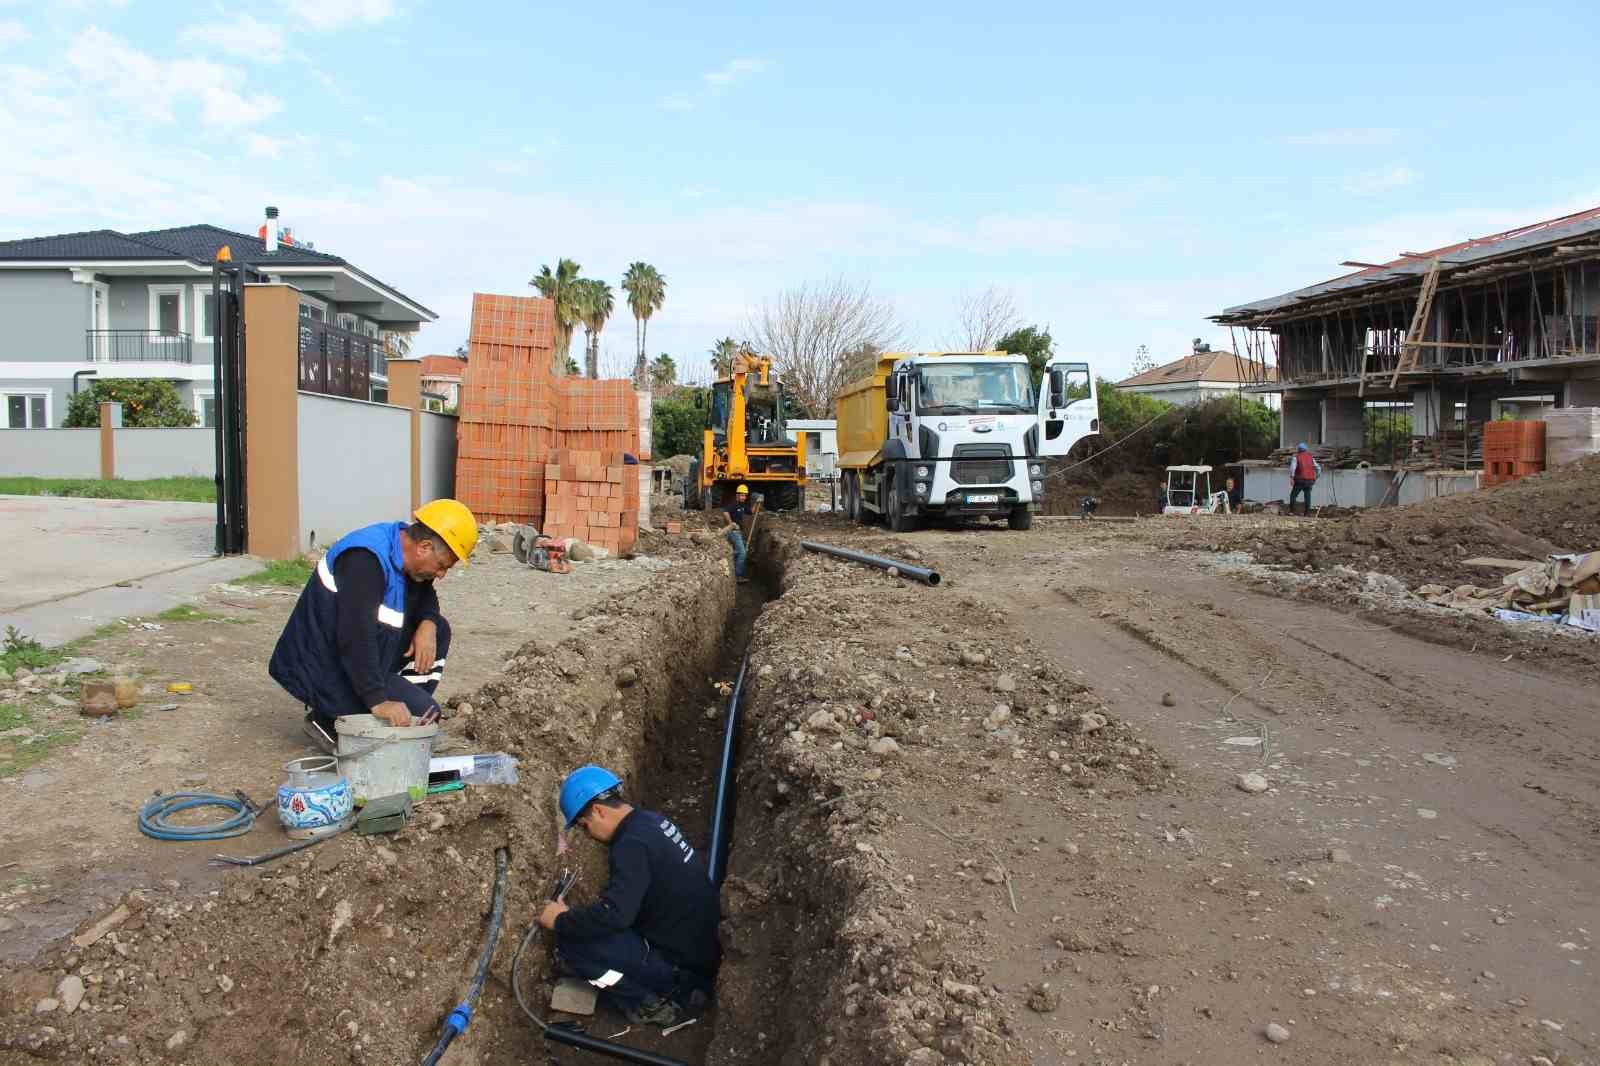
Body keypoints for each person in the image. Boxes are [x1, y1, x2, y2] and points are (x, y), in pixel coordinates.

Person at [269, 499, 478, 752]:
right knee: (427, 713)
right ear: (424, 547)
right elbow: (355, 637)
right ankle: (328, 719)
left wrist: (429, 623)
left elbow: (424, 595)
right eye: (442, 566)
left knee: (439, 629)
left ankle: (395, 717)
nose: (442, 574)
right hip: (322, 667)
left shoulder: (403, 549)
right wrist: (378, 701)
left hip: (353, 657)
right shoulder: (364, 560)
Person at [540, 766, 721, 1027]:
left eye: (584, 826)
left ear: (599, 811)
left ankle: (651, 1002)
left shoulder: (630, 845)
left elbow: (616, 915)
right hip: (700, 946)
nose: (588, 835)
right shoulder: (650, 822)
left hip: (683, 971)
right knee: (589, 925)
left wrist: (560, 920)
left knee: (573, 946)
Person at [720, 483, 759, 583]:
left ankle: (731, 556)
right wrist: (731, 523)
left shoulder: (742, 505)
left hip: (738, 532)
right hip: (733, 532)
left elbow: (751, 512)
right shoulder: (733, 504)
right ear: (737, 495)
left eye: (745, 496)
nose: (744, 497)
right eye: (742, 495)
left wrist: (756, 502)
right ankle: (738, 576)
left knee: (741, 551)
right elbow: (725, 512)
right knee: (742, 552)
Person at [1287, 443, 1320, 516]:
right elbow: (1318, 468)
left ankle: (1292, 511)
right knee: (1307, 496)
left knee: (1293, 495)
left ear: (1298, 450)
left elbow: (1293, 468)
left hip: (1300, 479)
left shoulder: (1296, 457)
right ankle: (1307, 513)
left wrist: (1292, 478)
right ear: (1306, 450)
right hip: (1310, 480)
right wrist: (1316, 477)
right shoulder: (1311, 457)